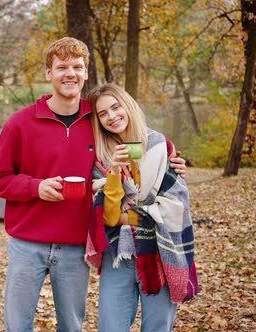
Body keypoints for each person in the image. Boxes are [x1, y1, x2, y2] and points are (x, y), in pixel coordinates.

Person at [0, 37, 188, 331]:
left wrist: (174, 161)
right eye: (62, 67)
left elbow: (139, 147)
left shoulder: (97, 123)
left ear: (86, 72)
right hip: (27, 245)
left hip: (75, 247)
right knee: (17, 326)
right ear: (48, 73)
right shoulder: (20, 123)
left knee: (72, 327)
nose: (70, 73)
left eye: (77, 66)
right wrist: (35, 187)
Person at [84, 83, 199, 332]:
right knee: (109, 327)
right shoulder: (101, 158)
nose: (112, 116)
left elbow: (176, 207)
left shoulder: (160, 146)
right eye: (103, 114)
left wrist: (129, 218)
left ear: (128, 105)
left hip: (158, 251)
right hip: (118, 254)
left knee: (157, 327)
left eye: (115, 107)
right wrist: (114, 171)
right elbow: (109, 217)